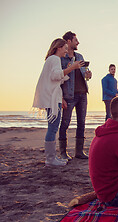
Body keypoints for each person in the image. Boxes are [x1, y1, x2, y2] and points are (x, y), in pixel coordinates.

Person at [32, 38, 83, 166]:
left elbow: (58, 78)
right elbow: (55, 76)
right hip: (52, 98)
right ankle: (50, 159)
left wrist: (67, 69)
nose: (66, 51)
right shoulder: (55, 59)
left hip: (53, 97)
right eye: (65, 48)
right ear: (59, 48)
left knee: (53, 127)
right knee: (53, 127)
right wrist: (71, 68)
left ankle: (52, 158)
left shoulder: (51, 60)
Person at [59, 31, 92, 160]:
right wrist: (61, 97)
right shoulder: (62, 58)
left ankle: (79, 151)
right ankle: (63, 152)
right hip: (69, 95)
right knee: (65, 123)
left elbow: (84, 74)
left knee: (81, 123)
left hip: (83, 94)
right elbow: (59, 77)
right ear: (68, 41)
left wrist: (88, 75)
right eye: (75, 40)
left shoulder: (80, 56)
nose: (78, 42)